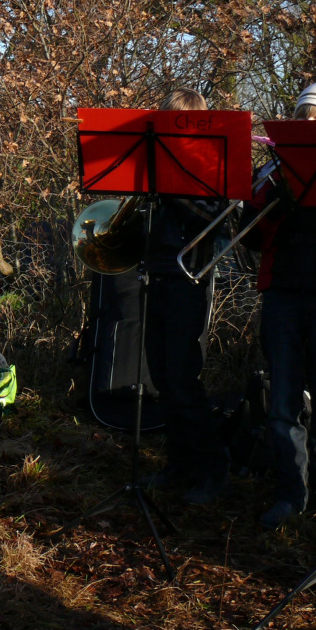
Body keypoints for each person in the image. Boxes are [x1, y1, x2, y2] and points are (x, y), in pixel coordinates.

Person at [242, 80, 316, 529]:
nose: (311, 120)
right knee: (282, 399)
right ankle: (291, 493)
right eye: (305, 112)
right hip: (283, 291)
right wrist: (276, 199)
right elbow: (249, 236)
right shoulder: (273, 168)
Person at [140, 88, 230, 504]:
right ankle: (178, 464)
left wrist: (173, 191)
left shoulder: (211, 168)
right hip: (155, 276)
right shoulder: (151, 166)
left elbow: (220, 221)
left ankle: (211, 469)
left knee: (182, 378)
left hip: (188, 278)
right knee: (161, 378)